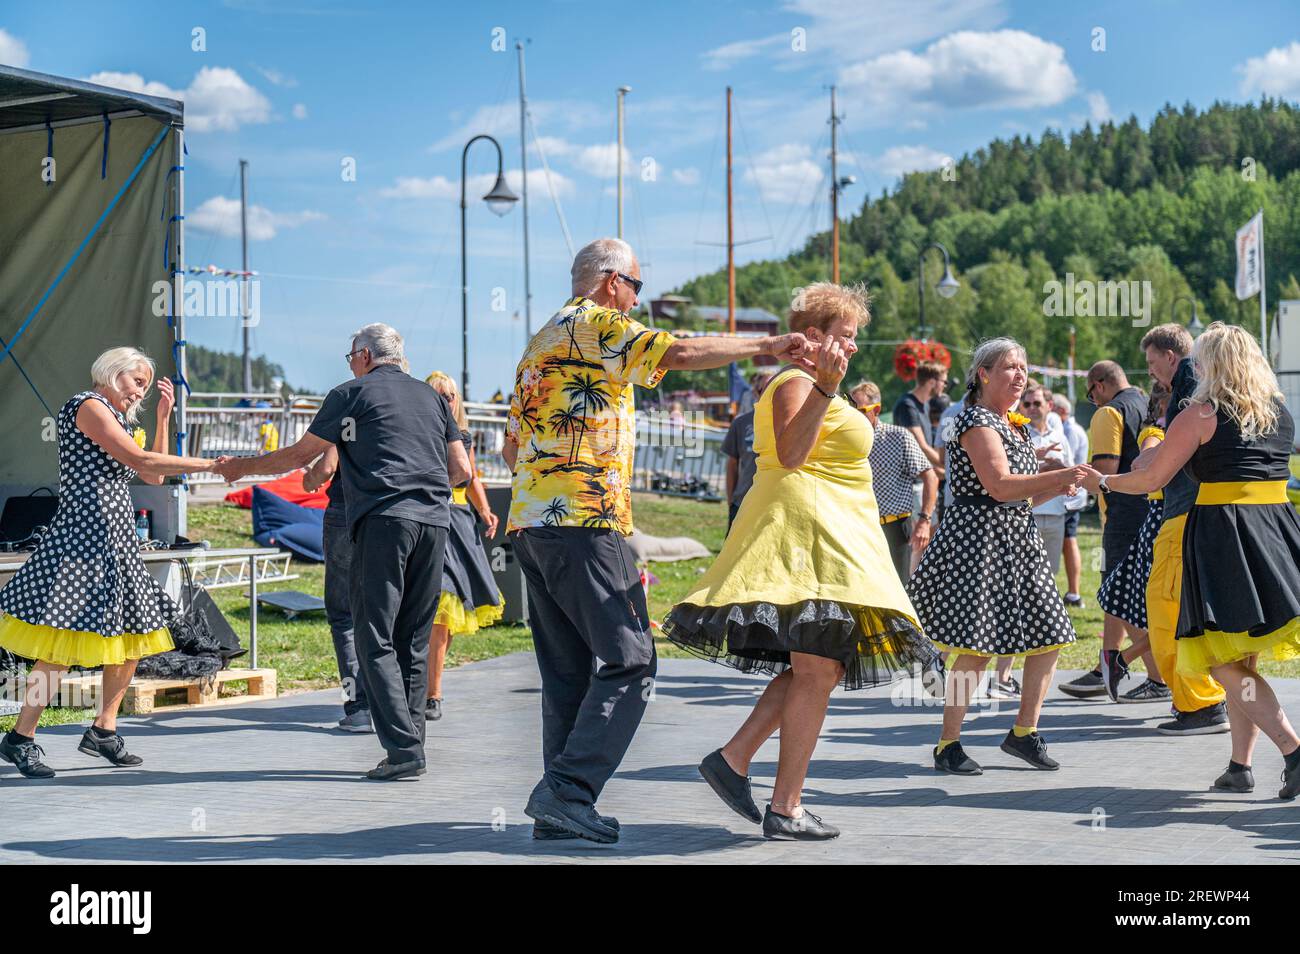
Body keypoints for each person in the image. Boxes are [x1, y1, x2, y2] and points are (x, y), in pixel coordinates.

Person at [503, 237, 811, 844]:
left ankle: (559, 805)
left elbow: (512, 445)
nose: (640, 300)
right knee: (632, 660)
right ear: (611, 281)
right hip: (585, 518)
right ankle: (568, 791)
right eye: (639, 287)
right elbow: (681, 350)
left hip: (533, 523)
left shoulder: (541, 342)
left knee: (568, 672)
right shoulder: (593, 321)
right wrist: (769, 345)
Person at [663, 283, 940, 840]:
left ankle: (735, 761)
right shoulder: (795, 380)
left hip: (829, 540)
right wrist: (827, 386)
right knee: (818, 669)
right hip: (802, 538)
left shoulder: (821, 387)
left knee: (821, 667)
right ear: (811, 337)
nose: (852, 347)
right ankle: (784, 805)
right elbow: (791, 454)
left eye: (855, 338)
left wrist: (832, 389)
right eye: (844, 336)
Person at [216, 324, 471, 781]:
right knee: (413, 638)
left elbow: (299, 458)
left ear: (366, 355)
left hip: (383, 521)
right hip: (436, 521)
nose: (349, 362)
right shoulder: (432, 397)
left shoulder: (349, 394)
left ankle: (403, 748)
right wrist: (420, 488)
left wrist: (242, 469)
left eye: (351, 355)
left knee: (373, 635)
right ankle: (410, 746)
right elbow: (461, 470)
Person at [1080, 323, 1300, 798]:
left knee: (1220, 660)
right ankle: (1240, 766)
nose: (1194, 367)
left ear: (1214, 364)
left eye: (1200, 359)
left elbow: (1151, 479)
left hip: (1223, 536)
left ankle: (1293, 750)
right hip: (1275, 535)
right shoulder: (1279, 414)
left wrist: (1098, 482)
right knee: (1242, 657)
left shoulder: (1201, 414)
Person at [0, 348, 219, 778]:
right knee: (60, 645)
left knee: (133, 638)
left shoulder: (119, 418)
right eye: (136, 381)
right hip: (83, 540)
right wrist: (210, 464)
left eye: (144, 384)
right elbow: (142, 462)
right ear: (112, 372)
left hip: (117, 541)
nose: (139, 390)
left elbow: (153, 477)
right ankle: (20, 738)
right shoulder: (87, 406)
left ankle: (103, 728)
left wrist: (162, 418)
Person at [908, 338, 1086, 775]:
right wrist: (1062, 473)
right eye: (1010, 367)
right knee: (978, 647)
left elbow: (1019, 493)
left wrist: (1054, 486)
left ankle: (1023, 733)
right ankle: (948, 745)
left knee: (1052, 635)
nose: (1020, 375)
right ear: (983, 374)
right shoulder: (974, 421)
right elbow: (1001, 486)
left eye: (1023, 367)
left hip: (1018, 537)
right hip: (979, 542)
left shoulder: (1016, 424)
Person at [1136, 323, 1229, 735]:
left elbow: (1168, 462)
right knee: (1183, 612)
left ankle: (1201, 704)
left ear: (1170, 357)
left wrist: (1151, 447)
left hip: (1184, 513)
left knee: (1166, 609)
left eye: (1153, 362)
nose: (1152, 372)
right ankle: (1200, 701)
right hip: (1199, 512)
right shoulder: (1202, 381)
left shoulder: (1190, 384)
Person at [1059, 361, 1149, 699]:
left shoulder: (1108, 413)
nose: (1092, 400)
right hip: (1149, 509)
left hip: (1122, 515)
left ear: (1098, 385)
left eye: (1090, 393)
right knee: (1116, 593)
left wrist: (1062, 473)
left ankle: (1158, 676)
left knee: (1120, 595)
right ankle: (1105, 666)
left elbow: (1103, 476)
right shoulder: (1145, 402)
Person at [422, 371, 504, 721]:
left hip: (459, 523)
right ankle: (431, 694)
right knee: (442, 608)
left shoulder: (464, 436)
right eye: (439, 395)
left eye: (451, 395)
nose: (447, 400)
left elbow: (471, 478)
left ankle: (430, 688)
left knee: (451, 614)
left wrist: (485, 510)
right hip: (431, 519)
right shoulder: (419, 433)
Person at [1094, 385, 1169, 702]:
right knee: (1148, 604)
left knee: (1134, 599)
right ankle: (1127, 664)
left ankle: (1117, 660)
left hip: (1154, 519)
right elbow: (1142, 464)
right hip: (1154, 519)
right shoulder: (1155, 429)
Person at [303, 444, 371, 733]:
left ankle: (356, 706)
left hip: (346, 511)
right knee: (387, 613)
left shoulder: (351, 405)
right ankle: (395, 707)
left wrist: (310, 478)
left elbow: (328, 466)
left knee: (344, 617)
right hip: (394, 515)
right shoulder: (413, 404)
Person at [849, 380, 936, 582]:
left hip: (895, 527)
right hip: (860, 526)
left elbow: (929, 475)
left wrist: (924, 520)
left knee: (899, 588)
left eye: (861, 411)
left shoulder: (898, 436)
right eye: (850, 411)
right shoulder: (847, 440)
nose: (854, 417)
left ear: (876, 410)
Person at [722, 370, 774, 534]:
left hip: (773, 504)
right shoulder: (741, 423)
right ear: (755, 392)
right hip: (742, 503)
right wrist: (731, 501)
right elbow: (732, 464)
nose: (768, 395)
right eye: (763, 390)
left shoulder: (791, 424)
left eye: (774, 389)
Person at [1052, 393, 1090, 608]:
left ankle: (1074, 591)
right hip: (1069, 496)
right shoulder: (1069, 429)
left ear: (1062, 412)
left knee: (1070, 540)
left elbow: (1069, 464)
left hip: (1070, 497)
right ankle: (1072, 592)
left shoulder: (1070, 431)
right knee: (1068, 540)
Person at [893, 360, 946, 467]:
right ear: (931, 382)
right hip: (911, 480)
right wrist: (950, 467)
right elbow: (922, 446)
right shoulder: (907, 405)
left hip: (922, 476)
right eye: (944, 382)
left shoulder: (926, 404)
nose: (944, 386)